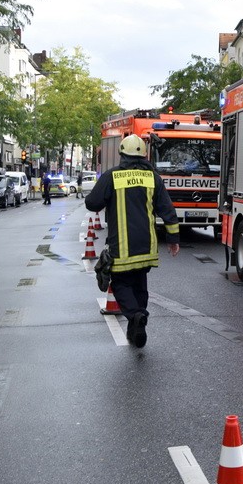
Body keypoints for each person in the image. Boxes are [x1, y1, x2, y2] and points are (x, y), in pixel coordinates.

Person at [85, 135, 180, 348]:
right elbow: (167, 209)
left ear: (122, 154)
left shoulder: (112, 177)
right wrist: (173, 239)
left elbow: (92, 203)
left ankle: (137, 315)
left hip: (122, 248)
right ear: (144, 155)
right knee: (140, 286)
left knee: (120, 285)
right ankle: (136, 329)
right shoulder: (153, 177)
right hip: (147, 248)